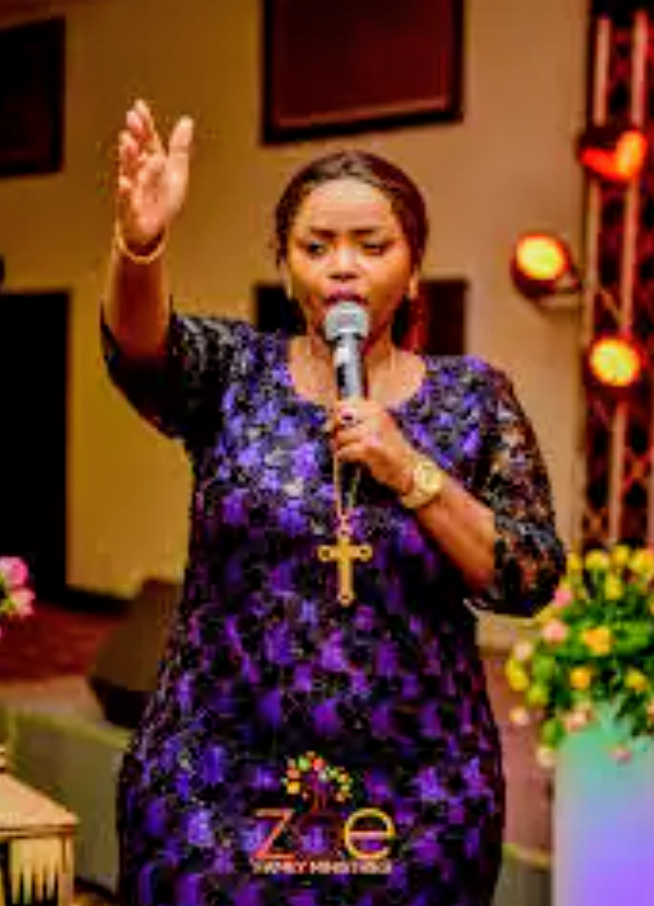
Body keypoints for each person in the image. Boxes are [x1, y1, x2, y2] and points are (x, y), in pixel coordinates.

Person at [103, 98, 565, 906]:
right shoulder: (233, 374)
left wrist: (410, 470)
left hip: (416, 797)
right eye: (315, 247)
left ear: (412, 270)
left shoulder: (474, 399)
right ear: (288, 270)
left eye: (371, 245)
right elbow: (142, 352)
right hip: (217, 785)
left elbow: (528, 576)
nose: (342, 266)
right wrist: (140, 246)